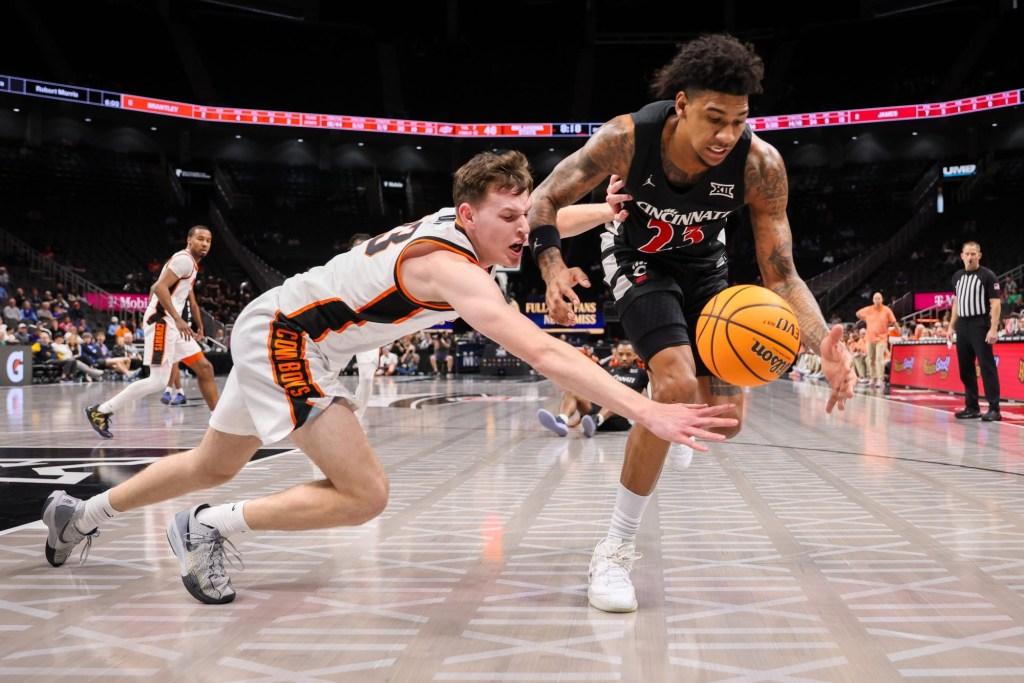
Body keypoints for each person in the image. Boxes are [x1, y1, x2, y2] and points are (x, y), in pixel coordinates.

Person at [40, 150, 737, 605]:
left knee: (213, 460)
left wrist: (605, 212)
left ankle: (79, 514)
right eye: (509, 217)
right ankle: (207, 528)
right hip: (290, 338)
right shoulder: (451, 267)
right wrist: (646, 410)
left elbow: (542, 218)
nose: (525, 228)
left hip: (280, 322)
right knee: (366, 492)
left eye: (527, 214)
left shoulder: (463, 229)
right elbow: (546, 353)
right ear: (470, 217)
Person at [526, 33, 856, 613]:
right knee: (677, 388)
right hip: (638, 261)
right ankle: (614, 550)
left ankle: (665, 409)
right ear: (680, 105)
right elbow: (544, 200)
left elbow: (781, 274)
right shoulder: (627, 138)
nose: (726, 134)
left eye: (739, 119)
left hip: (708, 271)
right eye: (713, 118)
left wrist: (819, 342)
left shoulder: (760, 165)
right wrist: (552, 267)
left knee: (723, 425)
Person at [84, 226, 219, 438]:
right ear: (189, 240)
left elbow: (157, 288)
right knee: (158, 381)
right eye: (200, 239)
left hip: (170, 323)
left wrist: (193, 322)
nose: (204, 244)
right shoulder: (183, 260)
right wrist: (173, 317)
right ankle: (100, 411)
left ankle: (219, 423)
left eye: (208, 241)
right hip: (163, 323)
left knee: (205, 368)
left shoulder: (190, 264)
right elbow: (159, 287)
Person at [537, 340, 655, 441]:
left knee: (615, 395)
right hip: (594, 414)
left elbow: (653, 394)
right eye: (621, 354)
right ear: (616, 355)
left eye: (628, 354)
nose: (624, 358)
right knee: (573, 392)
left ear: (635, 355)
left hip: (620, 420)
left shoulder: (641, 373)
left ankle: (595, 421)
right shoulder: (607, 370)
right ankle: (561, 422)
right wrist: (579, 420)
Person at [945, 240, 1002, 422]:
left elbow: (995, 303)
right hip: (963, 324)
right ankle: (972, 407)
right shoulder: (957, 277)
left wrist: (993, 328)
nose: (970, 257)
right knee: (965, 368)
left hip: (980, 324)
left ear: (979, 255)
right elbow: (957, 302)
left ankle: (994, 408)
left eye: (973, 254)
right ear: (961, 256)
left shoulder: (988, 276)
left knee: (986, 367)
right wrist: (951, 326)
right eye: (967, 254)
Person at [855, 292, 896, 389]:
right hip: (870, 338)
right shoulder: (869, 309)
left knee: (878, 358)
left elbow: (894, 322)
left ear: (882, 299)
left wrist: (901, 333)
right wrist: (865, 319)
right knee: (870, 359)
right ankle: (873, 378)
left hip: (882, 338)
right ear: (873, 300)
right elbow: (857, 313)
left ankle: (880, 379)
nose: (877, 300)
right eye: (875, 298)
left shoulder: (886, 310)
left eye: (879, 298)